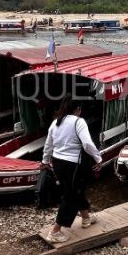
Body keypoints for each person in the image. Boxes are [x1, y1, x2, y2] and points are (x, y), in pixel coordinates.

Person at [41, 99, 103, 243]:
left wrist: (44, 161)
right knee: (71, 194)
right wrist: (98, 158)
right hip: (72, 164)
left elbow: (48, 144)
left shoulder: (56, 122)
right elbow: (87, 143)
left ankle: (86, 218)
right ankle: (55, 231)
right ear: (78, 109)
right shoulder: (78, 121)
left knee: (76, 189)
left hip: (57, 163)